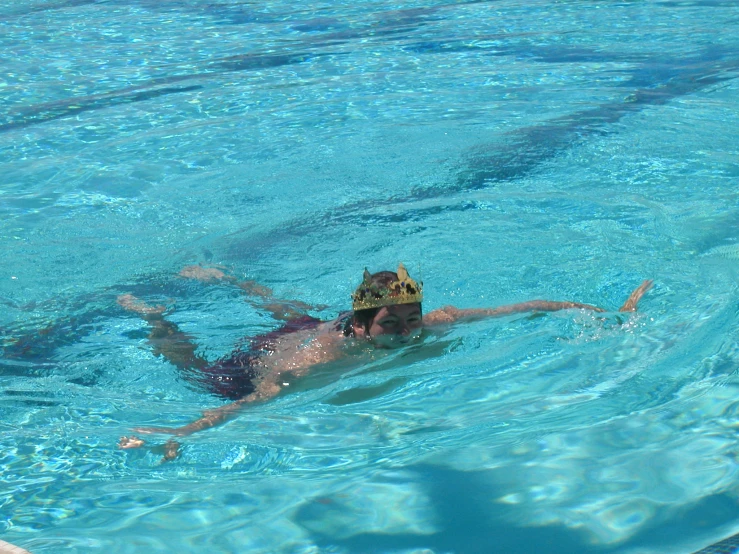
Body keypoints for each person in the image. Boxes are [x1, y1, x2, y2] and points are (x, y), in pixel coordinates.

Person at [118, 263, 652, 460]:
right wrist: (187, 430)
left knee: (295, 311)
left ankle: (231, 279)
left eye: (409, 322)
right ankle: (156, 317)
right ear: (361, 325)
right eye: (391, 326)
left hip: (313, 328)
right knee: (191, 367)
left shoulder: (429, 323)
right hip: (257, 365)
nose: (404, 336)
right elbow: (257, 401)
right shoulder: (315, 363)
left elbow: (527, 306)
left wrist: (608, 312)